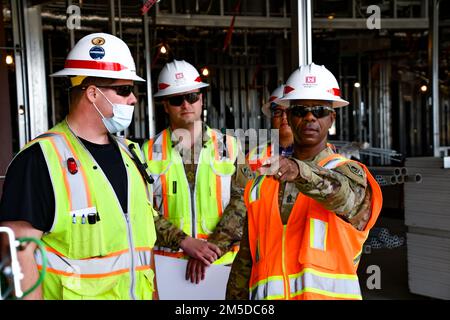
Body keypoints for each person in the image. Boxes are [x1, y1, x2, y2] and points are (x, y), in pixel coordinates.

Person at [0, 33, 158, 300]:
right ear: (94, 94)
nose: (133, 99)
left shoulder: (132, 156)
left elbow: (143, 254)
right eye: (124, 90)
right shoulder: (39, 160)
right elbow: (17, 253)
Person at [226, 63, 383, 300]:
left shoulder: (349, 173)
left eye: (319, 111)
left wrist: (300, 172)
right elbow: (245, 262)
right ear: (288, 116)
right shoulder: (261, 186)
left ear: (331, 118)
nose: (310, 117)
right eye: (300, 111)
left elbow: (349, 202)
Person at [142, 60, 251, 286]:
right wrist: (184, 242)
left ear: (201, 98)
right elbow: (140, 210)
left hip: (223, 267)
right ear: (165, 105)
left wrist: (210, 250)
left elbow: (244, 201)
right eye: (176, 99)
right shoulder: (147, 152)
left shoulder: (230, 146)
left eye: (192, 97)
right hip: (166, 269)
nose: (185, 104)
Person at [247, 84, 294, 173]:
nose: (284, 117)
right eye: (277, 112)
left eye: (289, 111)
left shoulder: (316, 153)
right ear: (271, 118)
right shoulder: (255, 155)